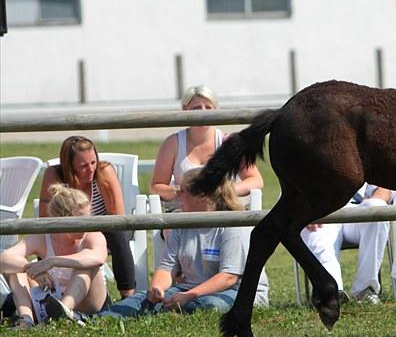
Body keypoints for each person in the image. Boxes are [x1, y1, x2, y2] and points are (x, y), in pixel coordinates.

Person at [103, 168, 268, 318]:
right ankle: (102, 318)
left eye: (182, 191)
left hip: (237, 291)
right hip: (189, 290)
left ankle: (164, 311)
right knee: (141, 298)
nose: (177, 195)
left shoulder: (233, 224)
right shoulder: (181, 222)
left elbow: (229, 277)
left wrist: (189, 295)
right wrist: (158, 288)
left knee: (211, 305)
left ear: (202, 195)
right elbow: (167, 267)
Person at [39, 135, 136, 298]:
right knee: (45, 236)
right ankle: (46, 292)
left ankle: (128, 296)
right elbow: (45, 217)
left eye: (93, 162)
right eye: (83, 166)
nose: (91, 169)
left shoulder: (104, 172)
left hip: (105, 229)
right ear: (69, 167)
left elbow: (118, 217)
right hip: (67, 231)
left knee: (117, 233)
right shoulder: (55, 175)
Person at [0, 185, 108, 327]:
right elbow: (4, 259)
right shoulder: (44, 237)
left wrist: (53, 261)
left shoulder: (92, 235)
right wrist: (31, 270)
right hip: (51, 297)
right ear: (62, 218)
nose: (86, 224)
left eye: (88, 218)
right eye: (81, 219)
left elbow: (98, 257)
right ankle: (26, 319)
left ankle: (61, 314)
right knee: (16, 270)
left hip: (89, 302)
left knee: (86, 266)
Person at [150, 85, 264, 210]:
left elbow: (256, 180)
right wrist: (183, 192)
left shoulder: (229, 142)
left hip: (224, 212)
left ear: (217, 110)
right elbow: (156, 186)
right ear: (184, 110)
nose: (203, 112)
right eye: (196, 108)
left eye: (208, 108)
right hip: (184, 213)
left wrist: (225, 190)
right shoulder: (172, 143)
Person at [301, 184, 391, 304]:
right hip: (321, 212)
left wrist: (376, 198)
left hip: (357, 208)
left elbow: (383, 188)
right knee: (317, 234)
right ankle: (331, 293)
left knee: (377, 207)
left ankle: (364, 290)